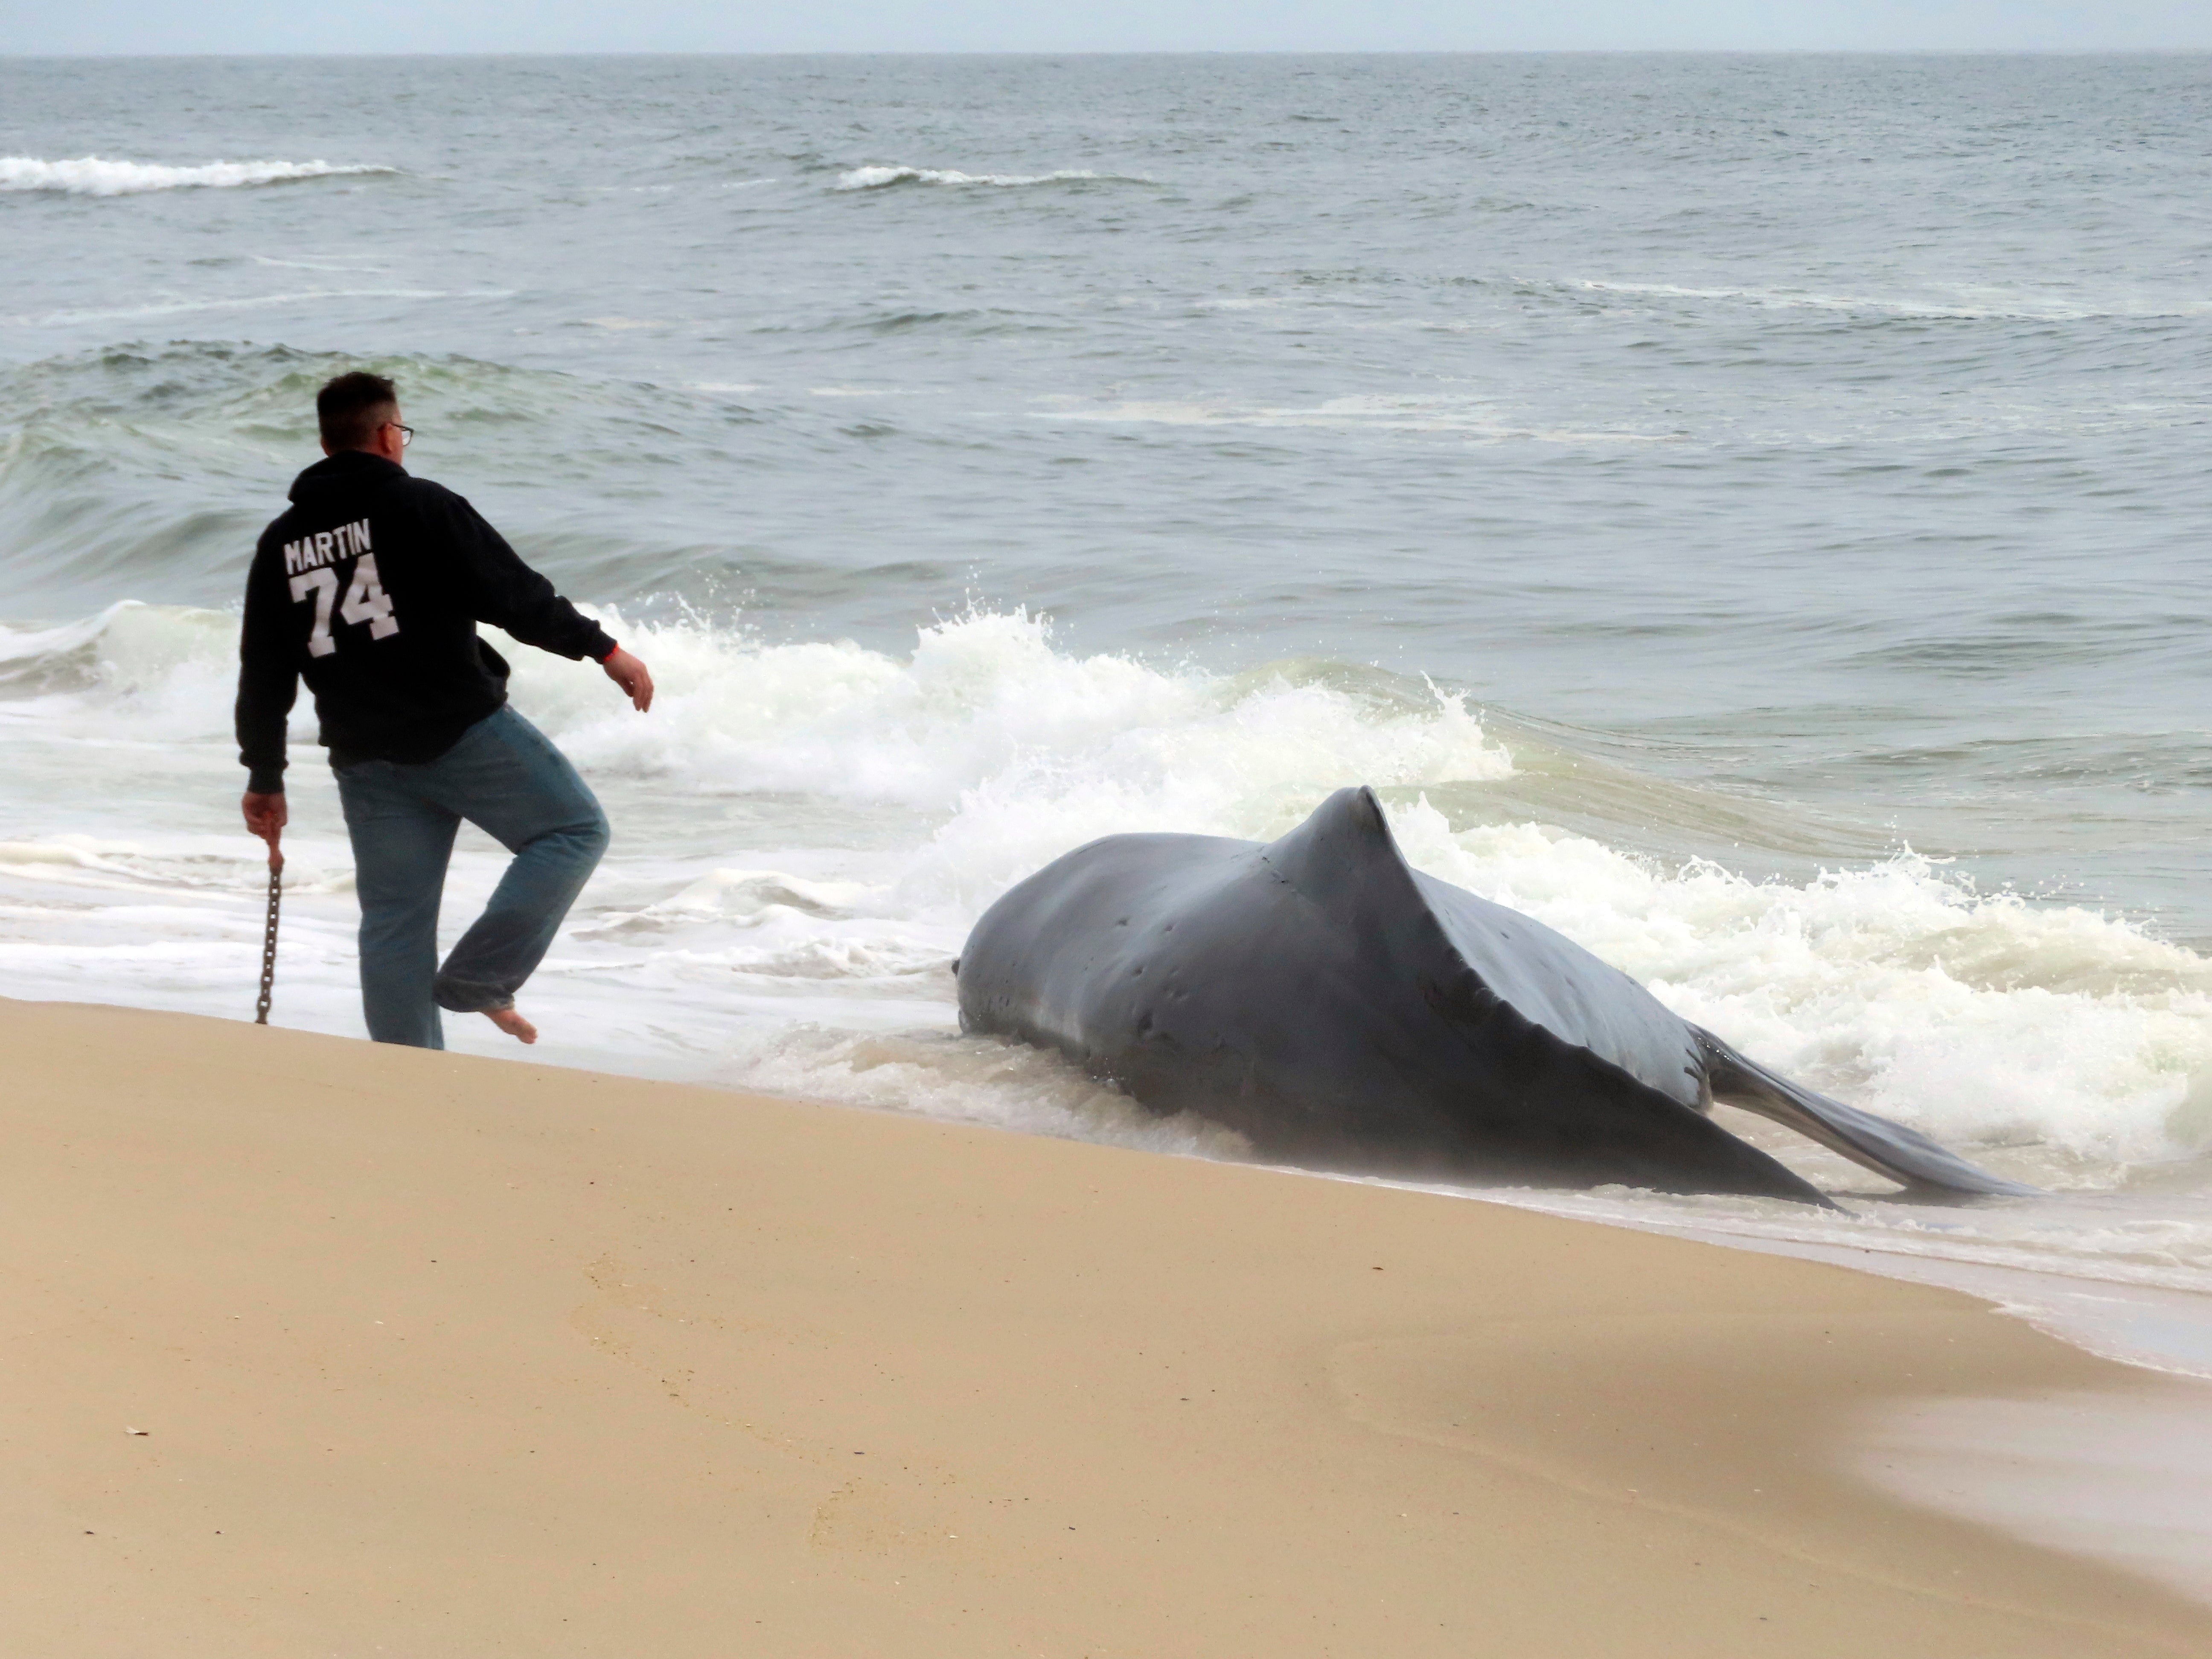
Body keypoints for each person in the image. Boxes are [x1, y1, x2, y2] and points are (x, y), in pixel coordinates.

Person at [235, 371, 653, 1049]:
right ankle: (481, 977)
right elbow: (514, 596)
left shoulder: (281, 543)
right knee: (574, 831)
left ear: (327, 443)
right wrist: (603, 648)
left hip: (364, 757)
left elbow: (264, 670)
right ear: (387, 436)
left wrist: (265, 775)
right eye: (401, 430)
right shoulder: (420, 505)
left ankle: (407, 1073)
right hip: (461, 733)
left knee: (395, 923)